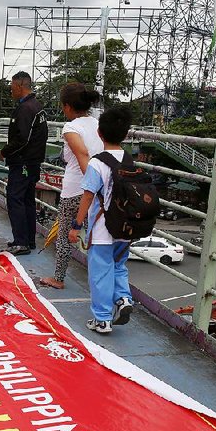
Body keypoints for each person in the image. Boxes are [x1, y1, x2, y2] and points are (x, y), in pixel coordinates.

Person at [68, 106, 135, 334]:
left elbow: (88, 196)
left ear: (99, 134)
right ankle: (124, 299)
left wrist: (76, 226)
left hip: (102, 230)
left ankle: (102, 319)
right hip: (126, 229)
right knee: (119, 266)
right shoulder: (129, 160)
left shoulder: (97, 163)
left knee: (100, 274)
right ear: (125, 135)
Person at [39, 84, 102, 289]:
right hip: (99, 189)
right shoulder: (98, 124)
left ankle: (58, 278)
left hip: (76, 189)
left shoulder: (71, 127)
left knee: (66, 234)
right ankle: (100, 282)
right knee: (96, 237)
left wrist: (90, 184)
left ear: (67, 107)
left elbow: (82, 154)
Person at [0, 71, 48, 255]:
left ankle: (21, 241)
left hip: (23, 163)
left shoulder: (26, 109)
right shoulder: (37, 106)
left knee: (15, 198)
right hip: (33, 162)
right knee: (27, 200)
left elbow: (22, 139)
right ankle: (28, 240)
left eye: (12, 86)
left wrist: (5, 151)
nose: (11, 90)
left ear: (20, 85)